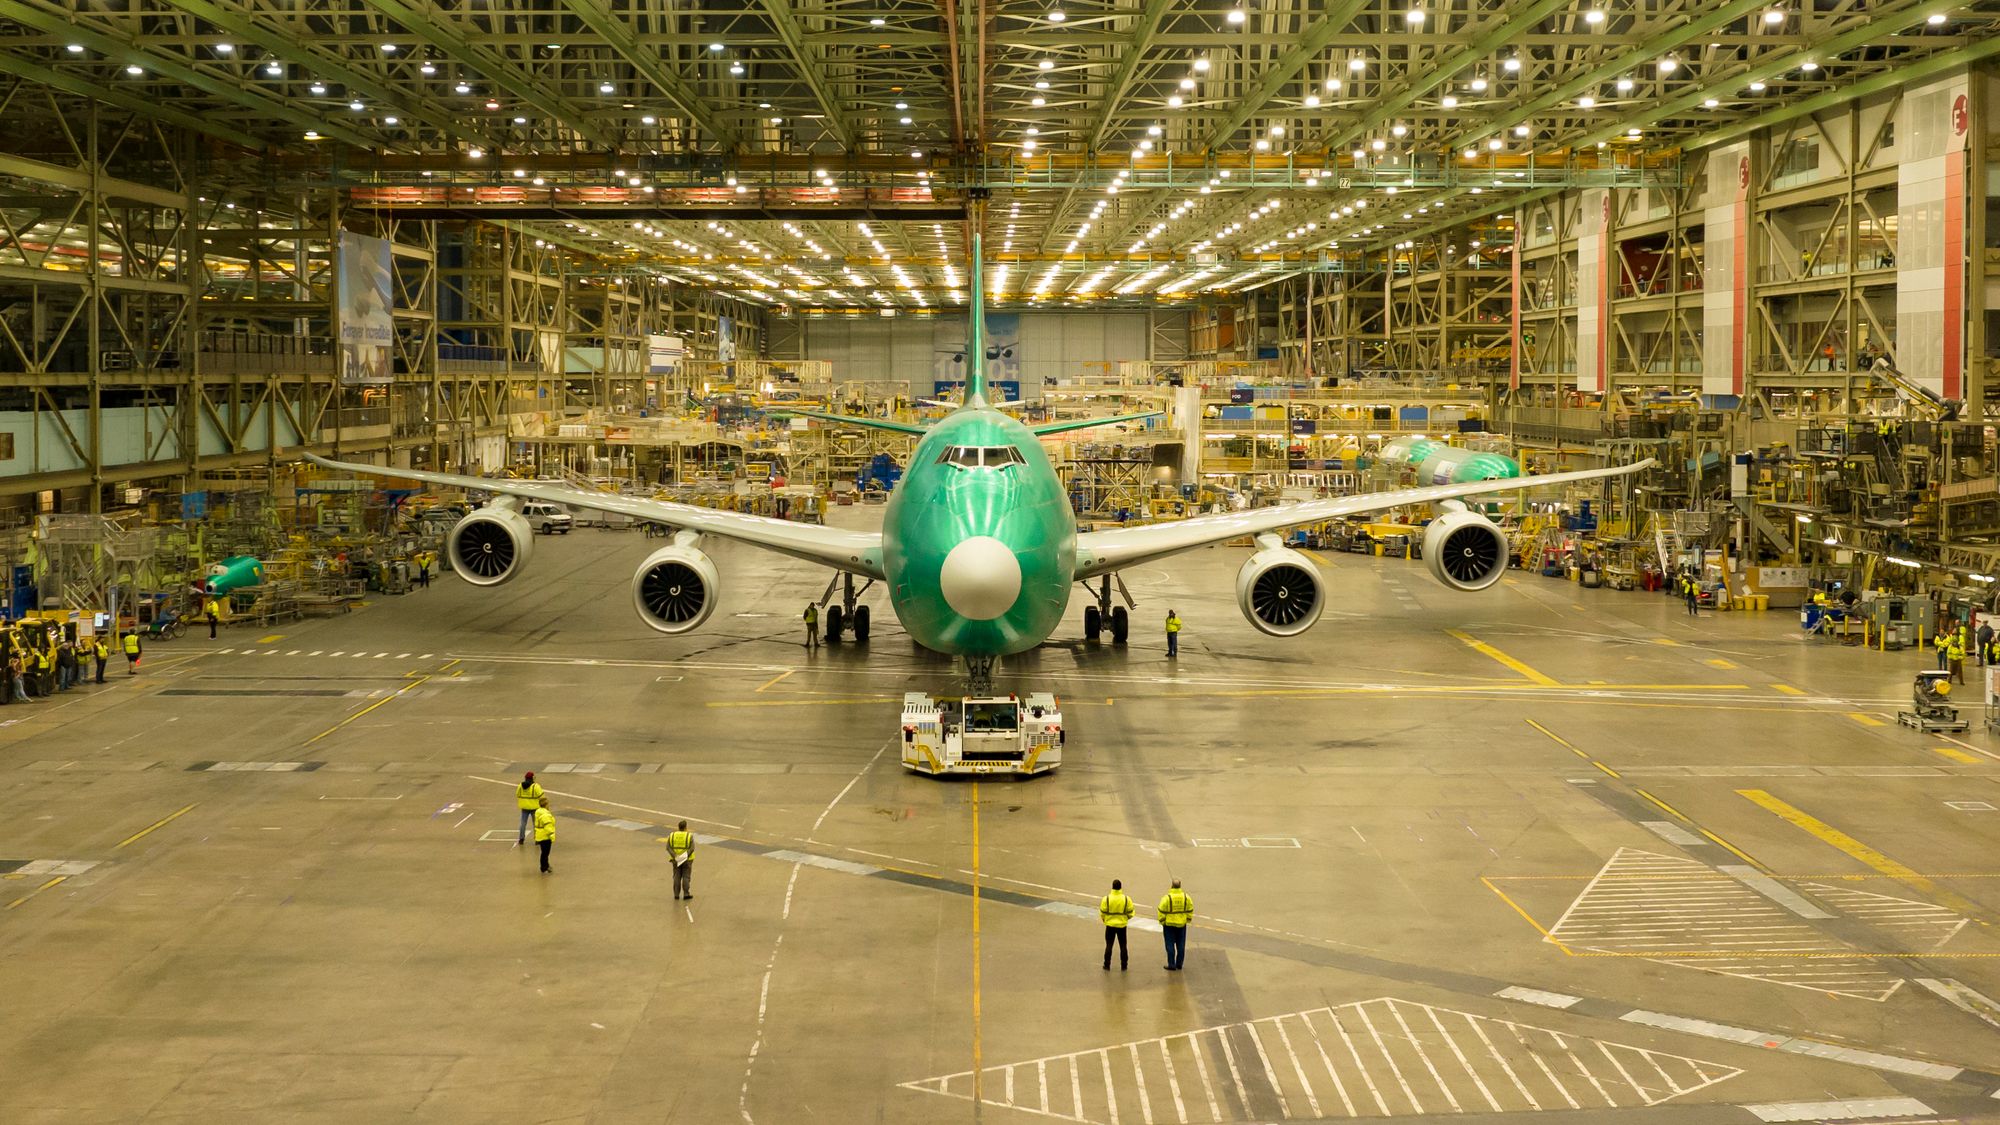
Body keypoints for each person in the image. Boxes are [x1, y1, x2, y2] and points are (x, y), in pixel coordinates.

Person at [1099, 878, 1135, 971]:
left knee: (1109, 945)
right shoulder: (1126, 899)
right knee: (1123, 945)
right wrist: (1125, 918)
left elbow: (1102, 912)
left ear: (1112, 887)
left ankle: (1107, 965)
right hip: (1122, 926)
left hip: (1110, 925)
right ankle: (1124, 965)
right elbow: (1131, 912)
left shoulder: (1106, 899)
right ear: (1120, 888)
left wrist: (1105, 919)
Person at [1158, 879, 1194, 971]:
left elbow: (1161, 910)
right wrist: (1188, 919)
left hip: (1169, 925)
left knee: (1169, 945)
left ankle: (1171, 964)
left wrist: (1162, 922)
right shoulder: (1186, 897)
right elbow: (1190, 909)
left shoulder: (1167, 898)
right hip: (1181, 925)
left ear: (1172, 886)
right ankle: (1179, 964)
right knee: (1181, 945)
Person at [667, 820, 695, 899]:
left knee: (676, 876)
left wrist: (676, 857)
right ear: (685, 827)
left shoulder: (672, 835)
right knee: (686, 876)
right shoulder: (689, 836)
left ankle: (676, 894)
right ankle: (686, 894)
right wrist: (683, 857)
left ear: (678, 827)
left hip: (675, 860)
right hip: (687, 860)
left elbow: (668, 847)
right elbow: (692, 848)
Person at [515, 771, 544, 845]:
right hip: (534, 808)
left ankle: (521, 839)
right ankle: (537, 839)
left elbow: (517, 794)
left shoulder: (520, 786)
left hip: (524, 808)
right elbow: (541, 796)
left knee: (523, 823)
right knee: (536, 824)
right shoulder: (535, 786)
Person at [533, 796, 556, 874]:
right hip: (545, 836)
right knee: (545, 853)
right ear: (546, 805)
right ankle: (544, 867)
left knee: (544, 852)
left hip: (540, 835)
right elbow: (548, 827)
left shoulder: (538, 812)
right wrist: (552, 836)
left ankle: (546, 865)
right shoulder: (545, 815)